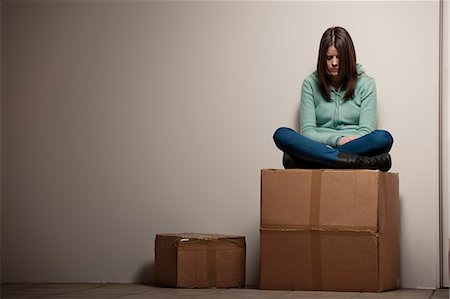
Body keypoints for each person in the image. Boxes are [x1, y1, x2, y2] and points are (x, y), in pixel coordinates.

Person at [273, 26, 393, 172]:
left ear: (349, 57)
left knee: (383, 138)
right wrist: (336, 141)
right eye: (329, 58)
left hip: (353, 145)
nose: (334, 63)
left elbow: (366, 132)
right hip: (318, 145)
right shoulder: (310, 84)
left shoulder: (366, 84)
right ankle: (355, 162)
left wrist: (344, 142)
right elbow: (308, 131)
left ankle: (318, 160)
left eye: (339, 57)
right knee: (281, 135)